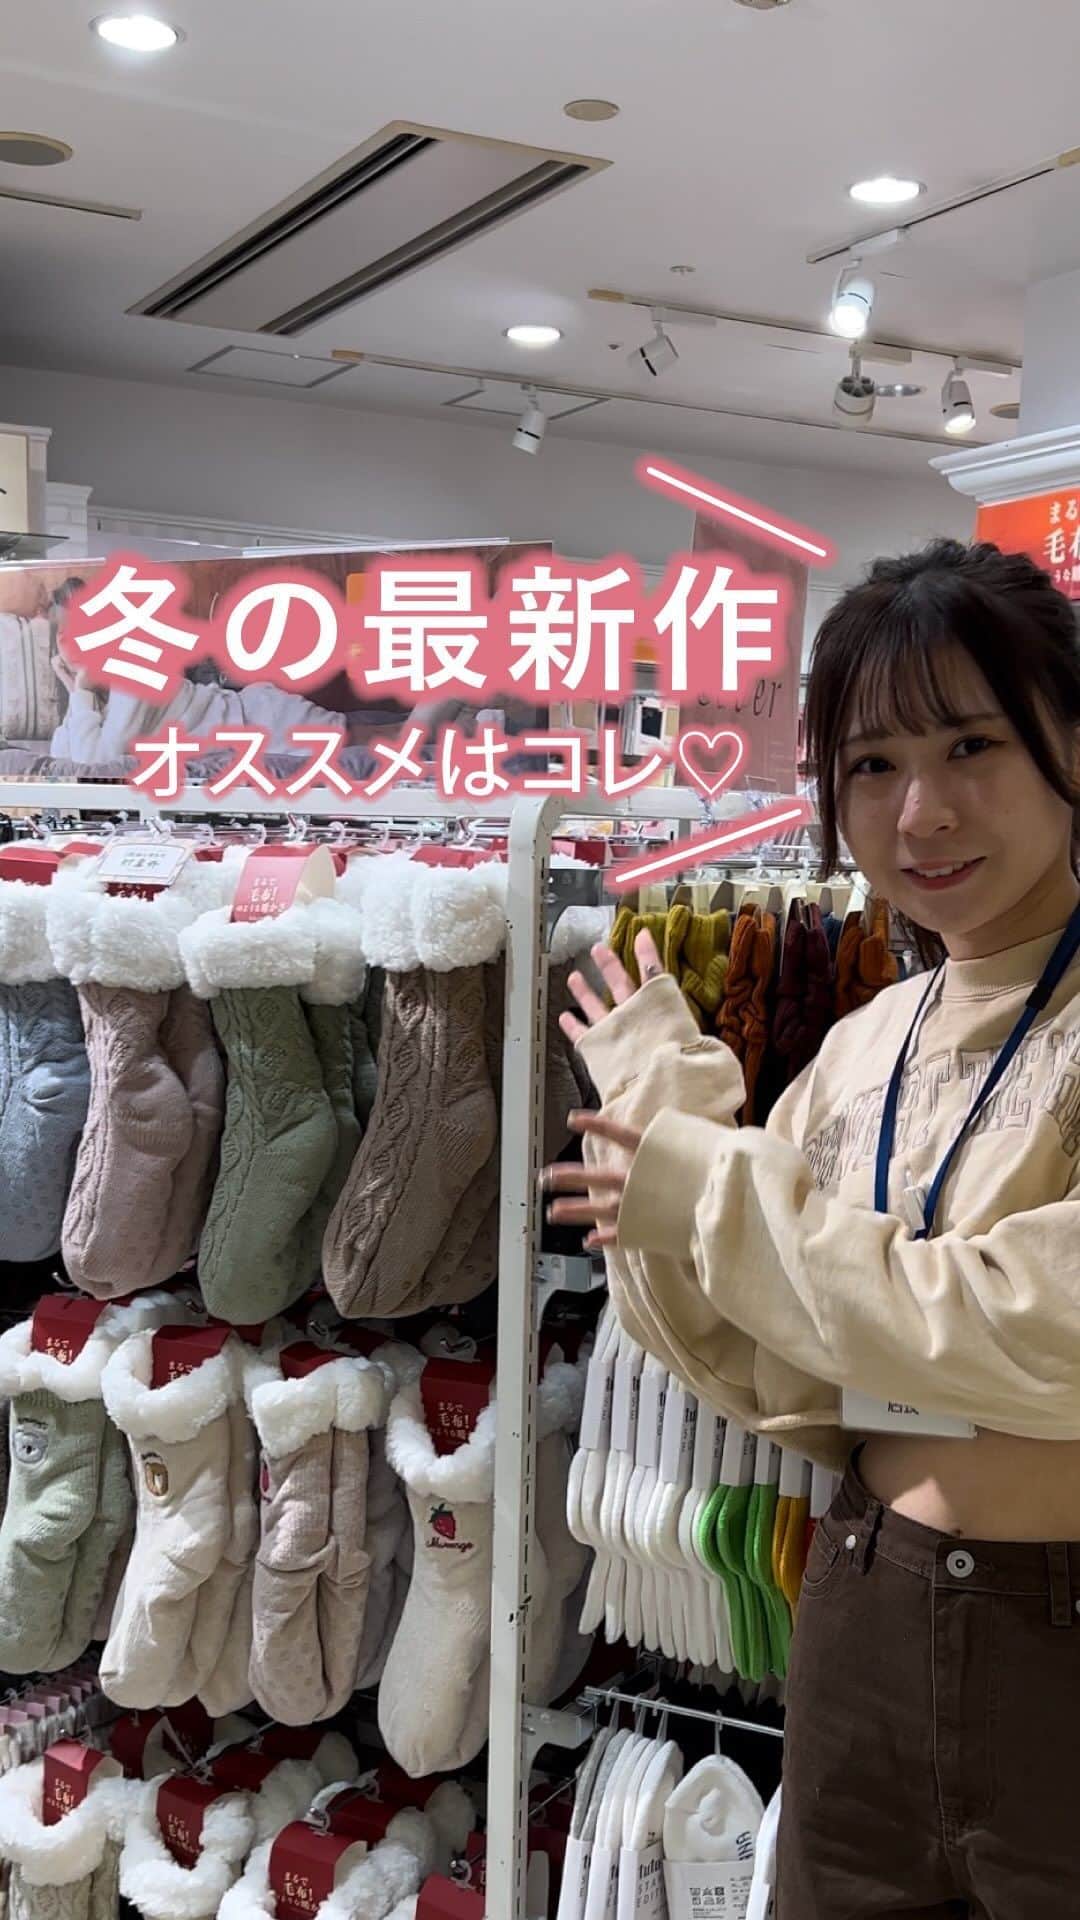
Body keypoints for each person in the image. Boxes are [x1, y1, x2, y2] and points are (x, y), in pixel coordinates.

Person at [543, 538, 1080, 1916]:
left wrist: (711, 1188)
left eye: (972, 745)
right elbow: (772, 1367)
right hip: (860, 1604)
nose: (921, 813)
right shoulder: (864, 1043)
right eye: (872, 765)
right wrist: (659, 1135)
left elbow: (1041, 1329)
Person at [49, 653, 473, 764]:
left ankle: (457, 686)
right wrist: (76, 690)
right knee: (385, 733)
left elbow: (97, 763)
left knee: (396, 739)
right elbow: (64, 757)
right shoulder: (102, 694)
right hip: (254, 716)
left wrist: (82, 690)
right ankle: (466, 716)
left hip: (259, 723)